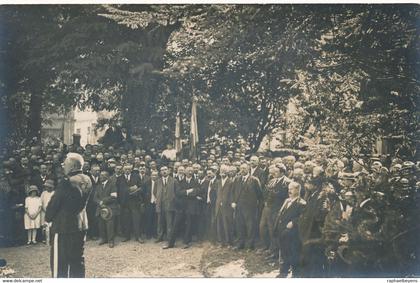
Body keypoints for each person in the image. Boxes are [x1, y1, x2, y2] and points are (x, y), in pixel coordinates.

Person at [45, 153, 86, 278]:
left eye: (65, 164)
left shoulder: (66, 181)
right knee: (77, 263)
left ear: (73, 166)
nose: (63, 167)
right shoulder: (87, 179)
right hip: (80, 225)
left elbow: (54, 204)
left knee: (59, 265)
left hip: (62, 228)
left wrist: (48, 218)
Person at [274, 182, 306, 278]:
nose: (289, 191)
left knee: (293, 252)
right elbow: (281, 214)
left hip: (292, 233)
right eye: (289, 189)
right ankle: (284, 270)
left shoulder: (301, 203)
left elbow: (303, 217)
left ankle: (295, 273)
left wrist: (294, 222)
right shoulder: (287, 200)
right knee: (284, 251)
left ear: (298, 190)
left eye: (292, 189)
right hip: (282, 231)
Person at [232, 163, 263, 250]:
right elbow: (233, 192)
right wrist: (233, 202)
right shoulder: (237, 179)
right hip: (239, 207)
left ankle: (250, 245)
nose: (242, 170)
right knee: (239, 225)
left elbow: (260, 195)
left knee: (250, 226)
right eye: (241, 168)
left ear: (248, 169)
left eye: (244, 168)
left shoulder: (254, 180)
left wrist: (256, 206)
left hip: (250, 208)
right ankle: (240, 244)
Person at [94, 170, 119, 248]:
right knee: (101, 224)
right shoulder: (98, 186)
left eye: (103, 175)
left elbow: (114, 197)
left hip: (110, 208)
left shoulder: (112, 185)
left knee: (110, 225)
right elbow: (95, 198)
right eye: (100, 175)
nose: (101, 177)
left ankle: (111, 240)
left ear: (107, 177)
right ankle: (103, 238)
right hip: (100, 208)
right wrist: (99, 202)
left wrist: (103, 201)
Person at [40, 179, 55, 244]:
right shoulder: (43, 193)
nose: (46, 188)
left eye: (48, 186)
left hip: (52, 211)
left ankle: (51, 239)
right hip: (44, 211)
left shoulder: (54, 193)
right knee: (44, 226)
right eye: (46, 186)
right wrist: (44, 209)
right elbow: (41, 202)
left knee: (51, 225)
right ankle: (44, 239)